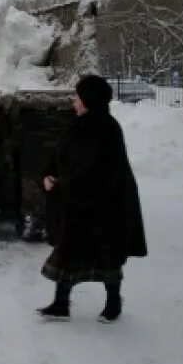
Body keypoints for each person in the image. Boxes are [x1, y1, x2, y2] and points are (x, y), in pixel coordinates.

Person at [36, 74, 147, 323]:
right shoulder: (76, 124)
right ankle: (61, 304)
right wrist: (49, 175)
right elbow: (60, 157)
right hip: (76, 200)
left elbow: (100, 169)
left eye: (77, 97)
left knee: (106, 254)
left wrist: (64, 185)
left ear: (88, 99)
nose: (74, 101)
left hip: (105, 203)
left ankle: (113, 303)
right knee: (68, 249)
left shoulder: (108, 128)